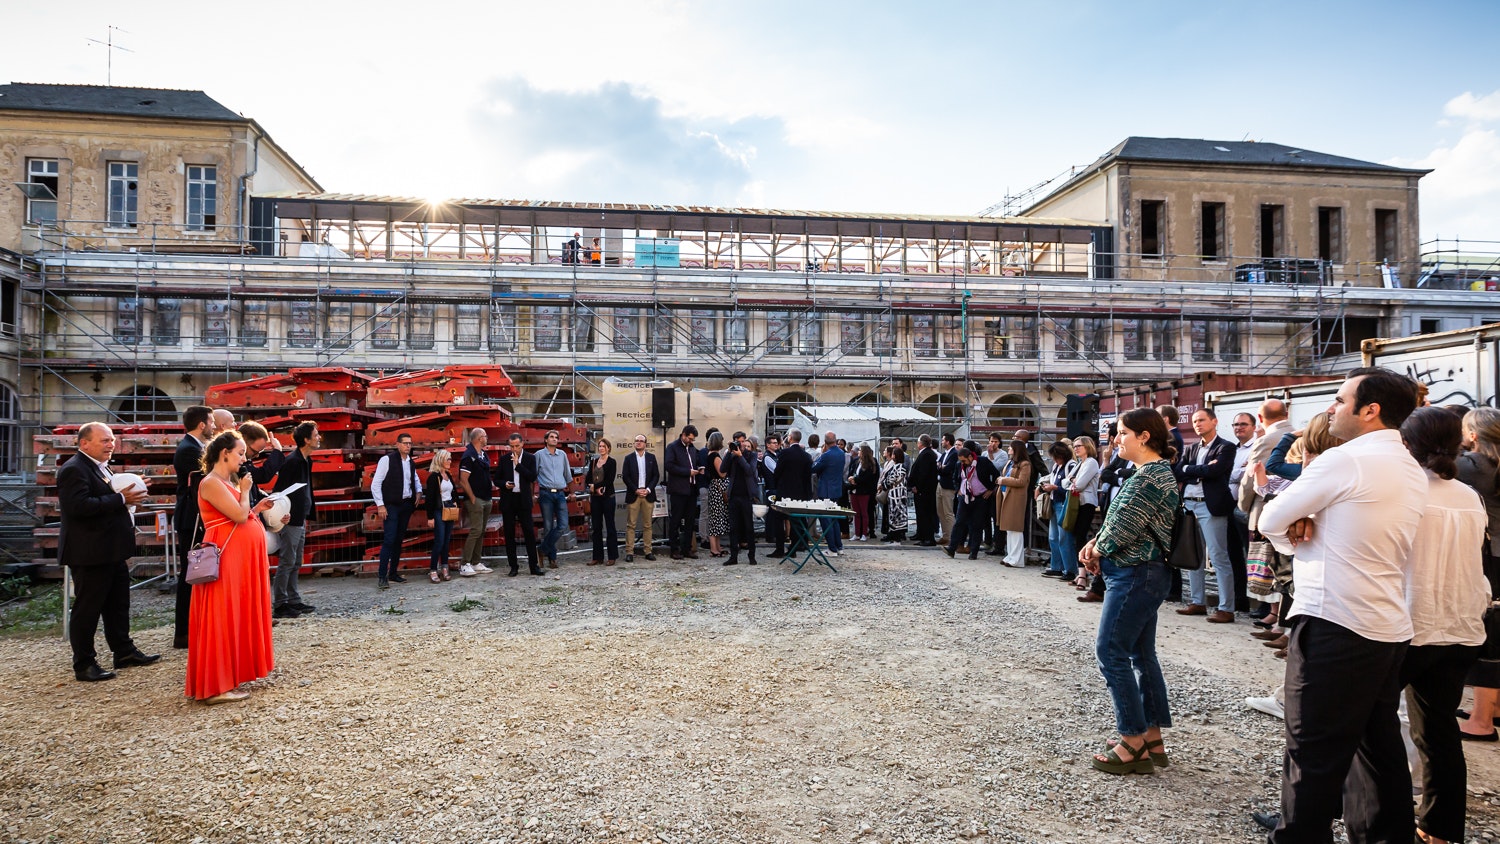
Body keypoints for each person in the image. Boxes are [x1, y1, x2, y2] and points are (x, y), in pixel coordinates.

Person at [1259, 367, 1427, 843]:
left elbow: (1272, 515)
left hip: (1336, 618)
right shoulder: (1407, 464)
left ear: (1369, 411)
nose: (1331, 408)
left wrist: (1293, 536)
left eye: (1339, 399)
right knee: (1377, 750)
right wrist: (1302, 523)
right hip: (1386, 624)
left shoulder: (1347, 459)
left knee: (1311, 751)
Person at [1398, 407, 1490, 844]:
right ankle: (1438, 829)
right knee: (1438, 732)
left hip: (1412, 623)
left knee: (1362, 724)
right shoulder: (1468, 495)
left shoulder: (1407, 491)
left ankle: (1366, 816)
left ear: (1408, 443)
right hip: (1461, 624)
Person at [1078, 407, 1180, 775]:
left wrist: (1095, 549)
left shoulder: (1149, 478)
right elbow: (1118, 522)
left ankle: (1133, 740)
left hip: (1137, 573)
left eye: (1122, 433)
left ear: (1144, 436)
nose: (1116, 439)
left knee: (1111, 651)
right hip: (1141, 572)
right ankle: (1150, 734)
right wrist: (1096, 545)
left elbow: (1124, 528)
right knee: (1140, 654)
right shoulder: (1148, 473)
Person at [58, 422, 157, 682]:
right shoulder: (73, 469)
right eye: (104, 440)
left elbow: (106, 495)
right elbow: (79, 506)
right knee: (88, 609)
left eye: (111, 440)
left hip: (110, 550)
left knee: (117, 605)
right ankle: (84, 663)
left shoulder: (100, 467)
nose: (110, 445)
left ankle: (123, 651)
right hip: (89, 552)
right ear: (84, 443)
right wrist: (123, 499)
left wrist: (132, 490)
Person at [187, 430, 276, 705]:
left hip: (238, 557)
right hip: (227, 558)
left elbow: (240, 513)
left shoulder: (226, 482)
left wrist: (255, 507)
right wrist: (247, 492)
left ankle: (230, 675)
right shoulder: (211, 482)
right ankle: (216, 685)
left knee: (234, 613)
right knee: (222, 615)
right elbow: (237, 515)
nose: (243, 459)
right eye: (239, 454)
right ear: (224, 453)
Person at [1457, 408, 1500, 742]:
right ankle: (1494, 709)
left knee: (1490, 632)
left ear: (1473, 434)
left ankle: (1481, 720)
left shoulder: (1473, 465)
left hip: (1492, 555)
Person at [1174, 408, 1237, 623]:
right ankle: (1197, 602)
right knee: (1193, 557)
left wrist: (1193, 470)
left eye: (1201, 420)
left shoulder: (1225, 447)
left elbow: (1216, 472)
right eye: (1194, 421)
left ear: (1214, 421)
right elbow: (1178, 472)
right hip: (1189, 506)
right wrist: (1200, 469)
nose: (1197, 424)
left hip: (1211, 507)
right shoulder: (1191, 448)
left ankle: (1226, 608)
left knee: (1219, 557)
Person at [172, 404, 213, 650]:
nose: (214, 427)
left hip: (196, 518)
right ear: (201, 425)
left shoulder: (195, 447)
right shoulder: (188, 450)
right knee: (189, 575)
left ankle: (194, 627)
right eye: (211, 422)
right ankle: (183, 632)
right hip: (191, 519)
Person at [271, 421, 318, 616]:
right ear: (306, 440)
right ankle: (281, 603)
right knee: (288, 560)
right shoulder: (292, 462)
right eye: (316, 435)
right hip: (290, 519)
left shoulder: (305, 460)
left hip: (300, 518)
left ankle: (293, 599)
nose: (319, 438)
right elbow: (279, 490)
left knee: (296, 561)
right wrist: (282, 515)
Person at [371, 434, 421, 589]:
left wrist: (418, 493)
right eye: (405, 443)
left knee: (399, 540)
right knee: (389, 540)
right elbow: (376, 483)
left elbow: (415, 479)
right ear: (397, 444)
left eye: (410, 443)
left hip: (406, 505)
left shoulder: (410, 462)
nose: (408, 446)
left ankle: (393, 573)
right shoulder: (387, 460)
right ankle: (382, 576)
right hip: (391, 505)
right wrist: (380, 505)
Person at [496, 432, 541, 576]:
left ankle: (534, 566)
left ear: (522, 444)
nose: (514, 449)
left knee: (529, 533)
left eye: (516, 445)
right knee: (509, 534)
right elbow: (496, 479)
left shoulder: (530, 458)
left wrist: (518, 465)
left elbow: (532, 476)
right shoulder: (503, 459)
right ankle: (513, 567)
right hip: (509, 499)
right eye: (511, 446)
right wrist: (505, 484)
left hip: (523, 499)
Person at [945, 447, 998, 560]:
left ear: (970, 457)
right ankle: (952, 548)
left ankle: (974, 551)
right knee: (959, 522)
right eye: (961, 461)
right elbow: (955, 478)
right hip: (964, 497)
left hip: (980, 498)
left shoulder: (983, 462)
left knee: (977, 525)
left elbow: (996, 474)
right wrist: (958, 489)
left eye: (964, 461)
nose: (962, 463)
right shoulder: (959, 465)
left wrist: (990, 489)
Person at [1063, 436, 1102, 584]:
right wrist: (1072, 481)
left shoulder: (1091, 462)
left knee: (1081, 536)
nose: (1076, 448)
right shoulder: (1080, 463)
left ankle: (1083, 575)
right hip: (1077, 503)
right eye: (1074, 446)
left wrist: (1072, 481)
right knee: (1076, 537)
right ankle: (1081, 573)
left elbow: (1078, 484)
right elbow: (1065, 481)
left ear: (1087, 446)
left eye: (1079, 445)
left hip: (1086, 503)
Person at [457, 428, 496, 577]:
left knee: (481, 531)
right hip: (477, 499)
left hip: (486, 498)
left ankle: (476, 561)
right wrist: (472, 498)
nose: (487, 438)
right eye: (485, 436)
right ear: (479, 438)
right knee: (475, 531)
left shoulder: (483, 454)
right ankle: (465, 563)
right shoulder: (468, 456)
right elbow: (463, 480)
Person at [1040, 441, 1077, 580]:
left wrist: (1054, 488)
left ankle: (1070, 569)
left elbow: (1071, 486)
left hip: (1063, 503)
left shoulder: (1071, 466)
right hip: (1055, 502)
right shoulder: (1056, 466)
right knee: (1053, 537)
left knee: (1064, 537)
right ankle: (1057, 566)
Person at [535, 430, 572, 568]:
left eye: (556, 437)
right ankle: (552, 559)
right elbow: (534, 475)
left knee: (563, 525)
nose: (554, 439)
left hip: (561, 493)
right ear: (546, 440)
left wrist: (572, 492)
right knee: (548, 526)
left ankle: (542, 549)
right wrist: (534, 493)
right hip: (546, 494)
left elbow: (568, 474)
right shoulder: (538, 455)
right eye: (551, 437)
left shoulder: (562, 455)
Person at [665, 425, 702, 560]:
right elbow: (669, 466)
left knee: (690, 520)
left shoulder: (692, 448)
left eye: (693, 440)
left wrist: (698, 469)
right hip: (678, 490)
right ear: (684, 435)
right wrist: (687, 472)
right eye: (690, 439)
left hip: (691, 489)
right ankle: (674, 549)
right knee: (675, 520)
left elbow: (694, 464)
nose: (691, 441)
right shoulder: (672, 447)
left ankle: (687, 548)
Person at [621, 434, 659, 562]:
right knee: (631, 525)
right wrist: (636, 490)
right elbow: (625, 476)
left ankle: (648, 551)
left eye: (641, 441)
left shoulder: (651, 458)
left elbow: (656, 476)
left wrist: (647, 490)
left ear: (645, 444)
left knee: (647, 525)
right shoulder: (629, 458)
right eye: (636, 441)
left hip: (648, 495)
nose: (638, 443)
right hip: (634, 495)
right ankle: (629, 552)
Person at [774, 429, 814, 552]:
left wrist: (777, 485)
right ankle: (801, 543)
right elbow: (808, 477)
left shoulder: (785, 453)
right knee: (800, 519)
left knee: (781, 519)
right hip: (801, 493)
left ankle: (783, 547)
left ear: (790, 438)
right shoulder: (807, 456)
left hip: (786, 492)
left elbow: (777, 472)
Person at [996, 440, 1033, 568]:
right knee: (1008, 528)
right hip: (1006, 494)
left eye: (1010, 448)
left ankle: (1017, 559)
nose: (1008, 449)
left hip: (1016, 497)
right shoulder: (1010, 462)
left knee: (1015, 528)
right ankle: (1010, 555)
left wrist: (1004, 480)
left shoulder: (1025, 464)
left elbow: (1022, 481)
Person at [810, 431, 847, 556]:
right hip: (836, 489)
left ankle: (832, 548)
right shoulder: (842, 454)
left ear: (825, 442)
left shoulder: (826, 455)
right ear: (836, 440)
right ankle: (839, 546)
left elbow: (814, 468)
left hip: (825, 490)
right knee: (834, 519)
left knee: (826, 520)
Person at [723, 438, 759, 566]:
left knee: (749, 527)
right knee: (733, 528)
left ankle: (752, 555)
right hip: (733, 496)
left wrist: (740, 457)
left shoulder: (752, 456)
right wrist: (729, 452)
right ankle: (733, 556)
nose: (743, 446)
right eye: (741, 444)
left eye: (746, 444)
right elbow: (722, 469)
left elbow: (749, 471)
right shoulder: (732, 456)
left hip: (746, 496)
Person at [424, 449, 459, 582]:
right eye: (447, 459)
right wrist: (430, 517)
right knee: (439, 541)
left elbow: (453, 491)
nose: (450, 461)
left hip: (449, 508)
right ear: (440, 460)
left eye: (450, 459)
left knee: (446, 540)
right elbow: (430, 499)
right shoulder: (434, 477)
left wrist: (456, 502)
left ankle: (444, 567)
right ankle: (433, 569)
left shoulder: (448, 475)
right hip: (439, 510)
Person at [587, 439, 619, 566]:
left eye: (603, 446)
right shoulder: (594, 461)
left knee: (610, 526)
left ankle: (612, 556)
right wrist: (592, 486)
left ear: (608, 448)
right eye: (599, 446)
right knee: (596, 527)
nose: (601, 448)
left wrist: (596, 486)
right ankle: (597, 557)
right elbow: (588, 477)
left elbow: (610, 479)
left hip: (608, 497)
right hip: (595, 498)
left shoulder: (612, 462)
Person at [908, 434, 940, 546]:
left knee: (926, 514)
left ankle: (928, 538)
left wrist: (918, 487)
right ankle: (921, 534)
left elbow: (924, 474)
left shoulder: (927, 454)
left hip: (925, 491)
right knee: (921, 514)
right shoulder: (926, 453)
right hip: (923, 490)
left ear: (920, 443)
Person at [703, 431, 730, 556]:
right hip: (718, 490)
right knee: (716, 519)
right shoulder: (715, 456)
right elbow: (722, 473)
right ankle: (714, 549)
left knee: (717, 519)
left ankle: (717, 547)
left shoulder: (710, 455)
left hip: (714, 489)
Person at [879, 446, 909, 544]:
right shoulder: (900, 466)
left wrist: (883, 485)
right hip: (898, 494)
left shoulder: (899, 467)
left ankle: (896, 537)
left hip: (897, 494)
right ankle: (895, 535)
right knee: (897, 514)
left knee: (896, 514)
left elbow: (891, 479)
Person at [760, 434, 784, 555]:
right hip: (772, 488)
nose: (776, 444)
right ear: (768, 445)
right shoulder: (768, 457)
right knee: (772, 513)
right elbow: (777, 470)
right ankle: (770, 535)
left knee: (775, 513)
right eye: (773, 443)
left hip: (776, 488)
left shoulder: (775, 455)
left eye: (776, 442)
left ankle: (774, 534)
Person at [849, 445, 878, 541]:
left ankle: (864, 533)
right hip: (854, 490)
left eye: (860, 450)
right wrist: (851, 478)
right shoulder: (857, 462)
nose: (858, 452)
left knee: (864, 513)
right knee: (856, 513)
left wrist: (855, 479)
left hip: (864, 491)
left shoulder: (870, 464)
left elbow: (867, 477)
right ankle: (856, 533)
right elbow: (852, 472)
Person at [937, 433, 960, 545]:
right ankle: (946, 535)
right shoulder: (944, 454)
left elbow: (949, 469)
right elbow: (938, 466)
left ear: (948, 441)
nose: (941, 442)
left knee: (948, 513)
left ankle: (953, 538)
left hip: (948, 486)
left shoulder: (954, 453)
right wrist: (941, 467)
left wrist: (941, 467)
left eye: (943, 440)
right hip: (940, 484)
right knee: (940, 511)